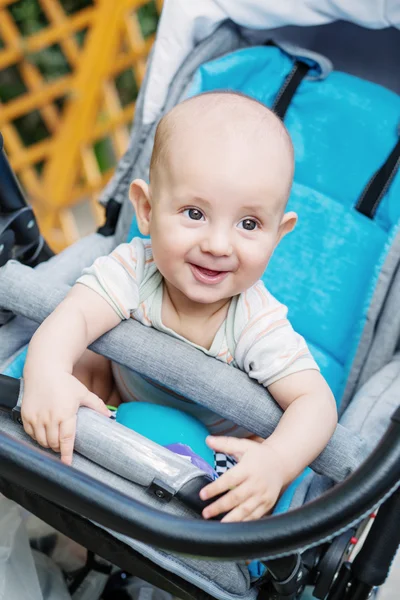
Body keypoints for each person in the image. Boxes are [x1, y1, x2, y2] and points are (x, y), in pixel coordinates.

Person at [21, 91, 337, 522]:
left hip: (208, 449)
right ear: (147, 210)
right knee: (72, 354)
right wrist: (47, 373)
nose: (217, 245)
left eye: (249, 224)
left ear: (278, 235)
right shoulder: (134, 267)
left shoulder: (256, 322)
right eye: (194, 213)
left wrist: (277, 464)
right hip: (117, 399)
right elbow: (72, 317)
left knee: (269, 454)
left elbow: (315, 403)